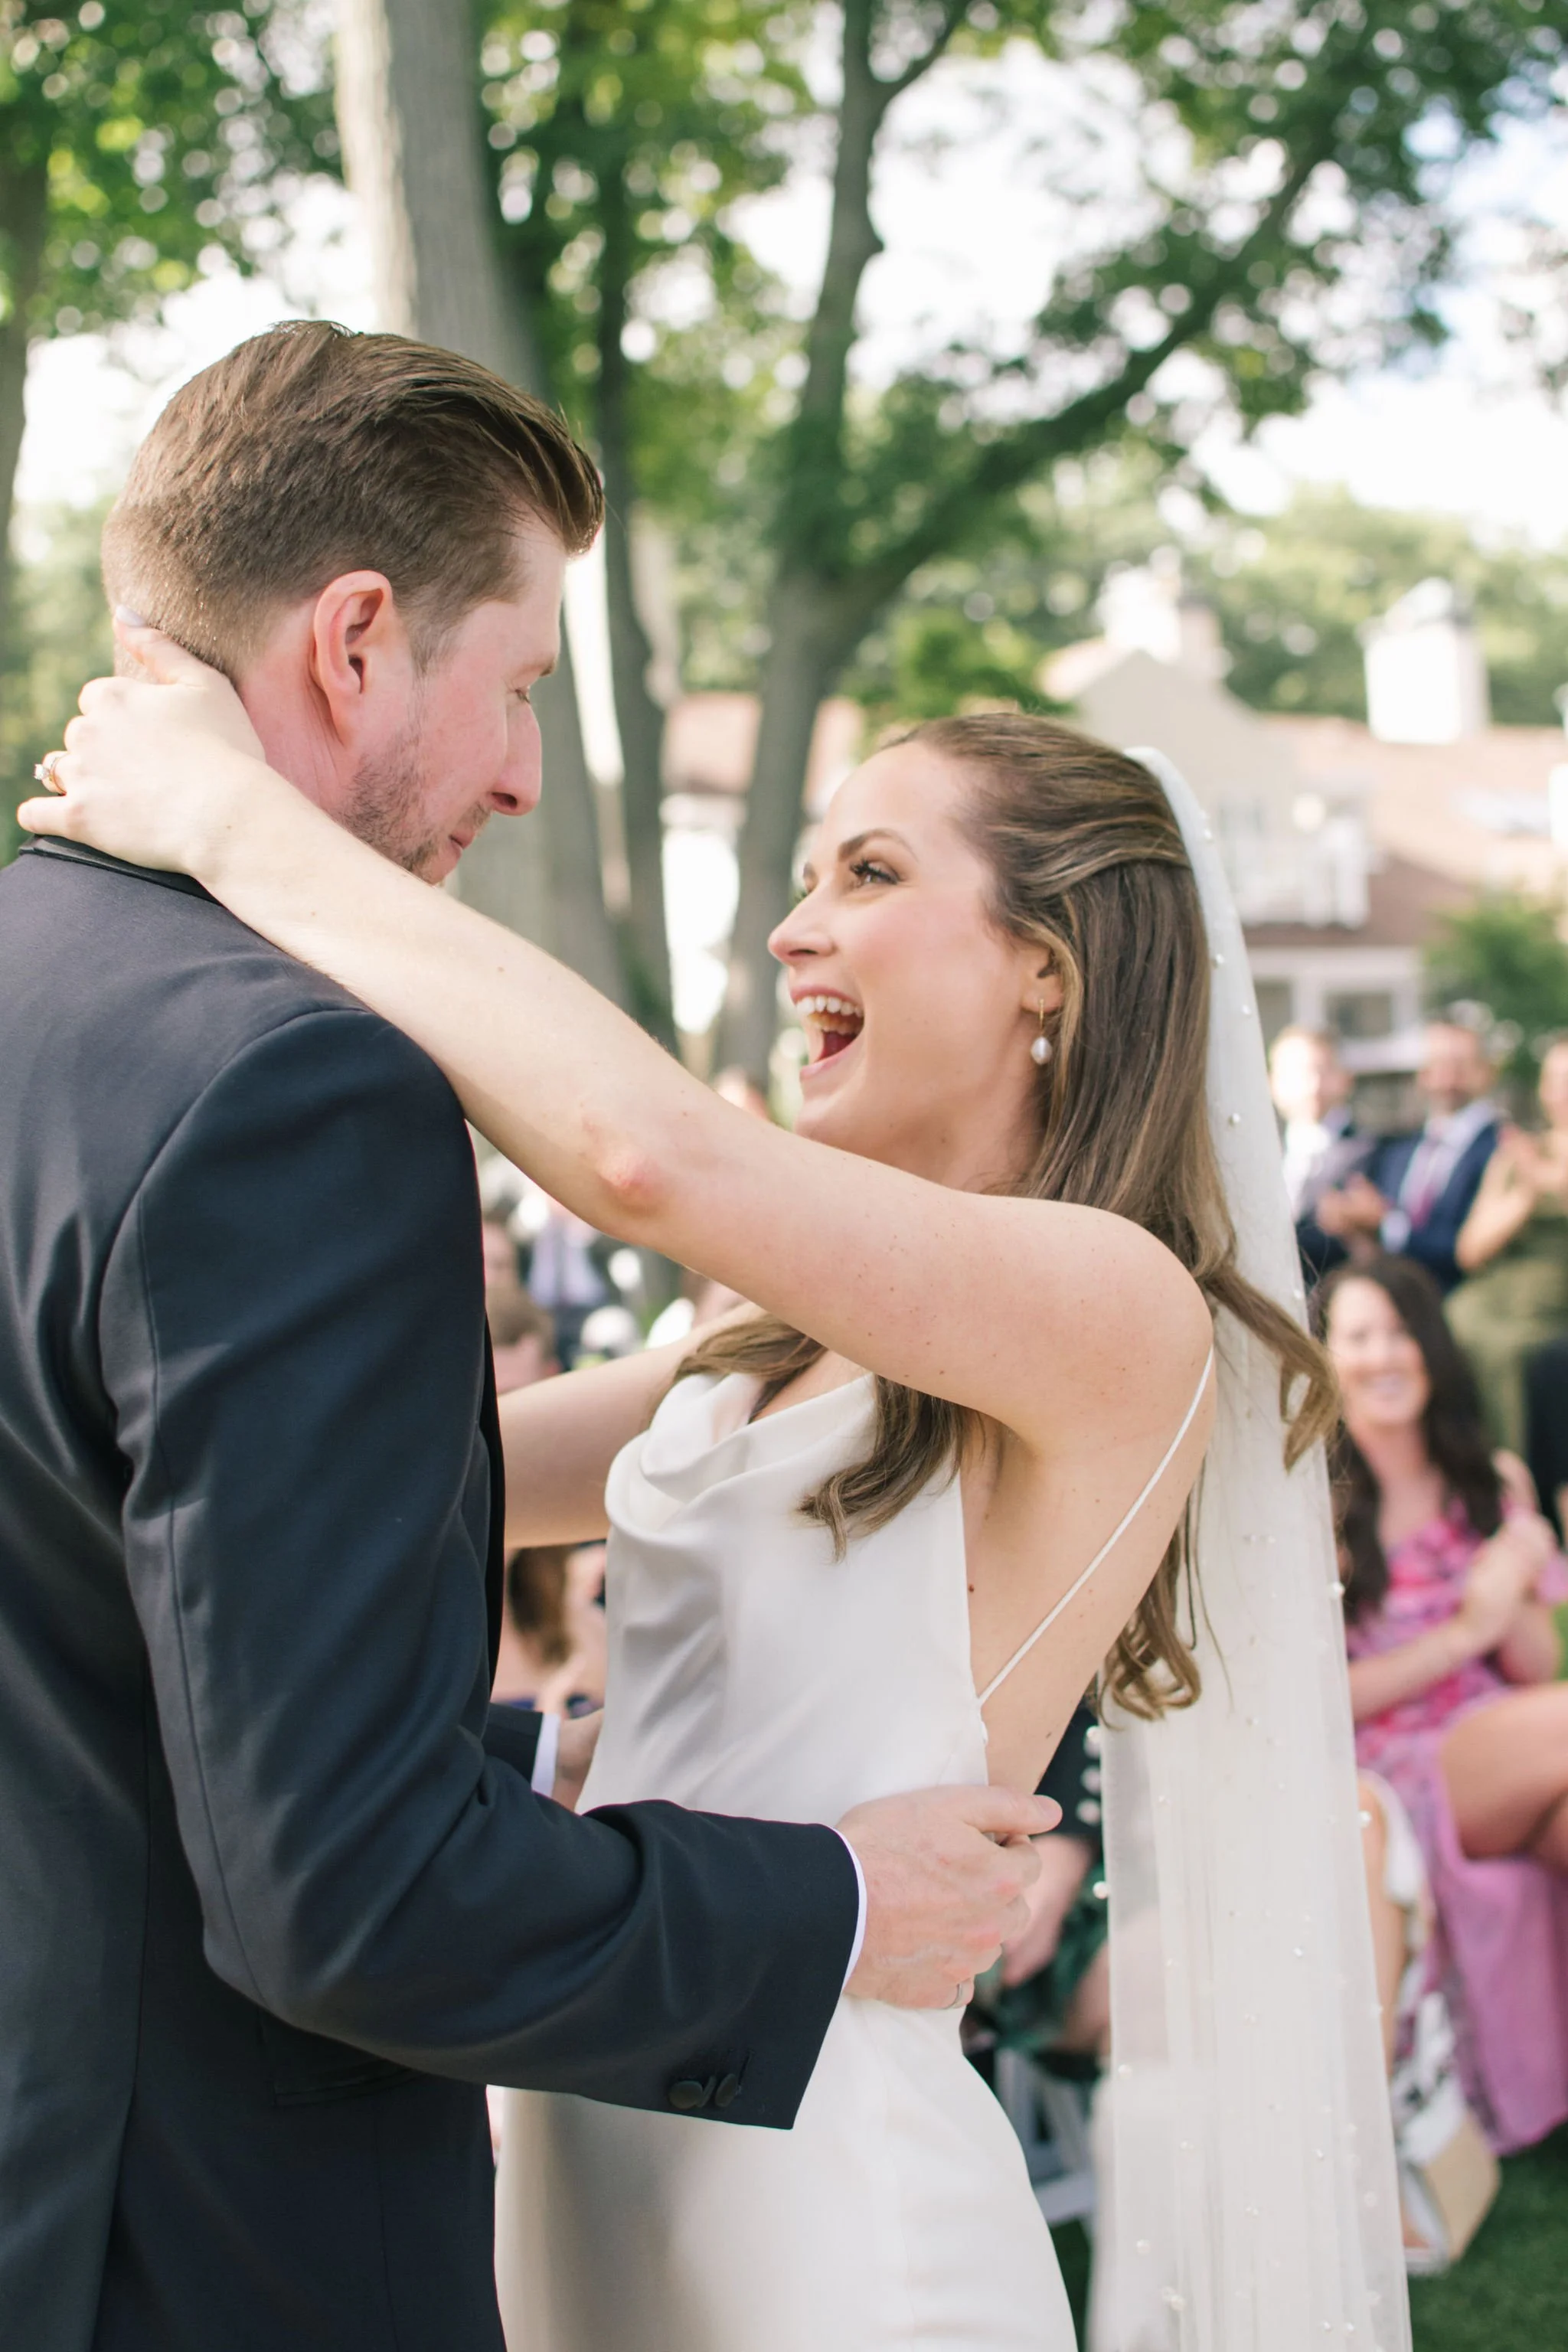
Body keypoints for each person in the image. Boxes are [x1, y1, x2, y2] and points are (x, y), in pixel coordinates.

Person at [24, 676, 1350, 2349]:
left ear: (1048, 967)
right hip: (607, 2135)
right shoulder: (756, 1350)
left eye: (869, 873)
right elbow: (384, 1478)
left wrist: (234, 819)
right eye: (805, 877)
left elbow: (645, 1158)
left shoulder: (1116, 1306)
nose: (795, 931)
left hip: (834, 2203)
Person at [0, 325, 1057, 2352]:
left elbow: (99, 1660)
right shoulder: (289, 1084)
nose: (521, 772)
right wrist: (835, 1899)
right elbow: (342, 1899)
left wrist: (529, 1753)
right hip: (220, 2261)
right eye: (521, 690)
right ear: (356, 641)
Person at [1318, 1254, 1568, 2155]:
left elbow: (1534, 1667)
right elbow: (1318, 1703)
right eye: (1358, 1337)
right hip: (1395, 1763)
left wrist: (1514, 1583)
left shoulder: (1487, 1479)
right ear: (1324, 1358)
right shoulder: (1315, 1505)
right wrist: (1463, 1634)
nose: (1383, 1356)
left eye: (1400, 1333)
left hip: (1503, 1737)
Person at [1446, 1040, 1568, 1452]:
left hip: (1550, 1301)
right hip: (1493, 1293)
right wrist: (1525, 1197)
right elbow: (1469, 1251)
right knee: (1449, 1321)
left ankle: (1516, 1467)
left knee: (1506, 1351)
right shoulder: (1517, 1156)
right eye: (1556, 1081)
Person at [1318, 1020, 1501, 1295]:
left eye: (1460, 1064)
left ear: (1486, 1071)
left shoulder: (1501, 1150)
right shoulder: (1398, 1150)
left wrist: (1385, 1225)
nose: (1448, 1077)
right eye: (1438, 1063)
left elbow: (1468, 1249)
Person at [1269, 1023, 1377, 1285]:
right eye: (1296, 1072)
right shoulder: (1258, 1158)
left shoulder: (1372, 1152)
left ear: (1346, 1078)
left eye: (1323, 1070)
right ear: (1272, 1083)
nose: (1312, 1084)